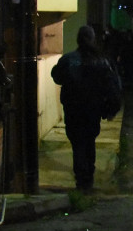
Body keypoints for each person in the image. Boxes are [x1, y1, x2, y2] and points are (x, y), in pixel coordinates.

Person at [51, 25, 119, 192]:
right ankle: (88, 176)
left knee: (78, 144)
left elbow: (57, 76)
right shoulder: (101, 60)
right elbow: (112, 85)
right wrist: (111, 109)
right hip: (93, 110)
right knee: (89, 141)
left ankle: (81, 179)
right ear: (93, 39)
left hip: (73, 109)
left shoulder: (69, 59)